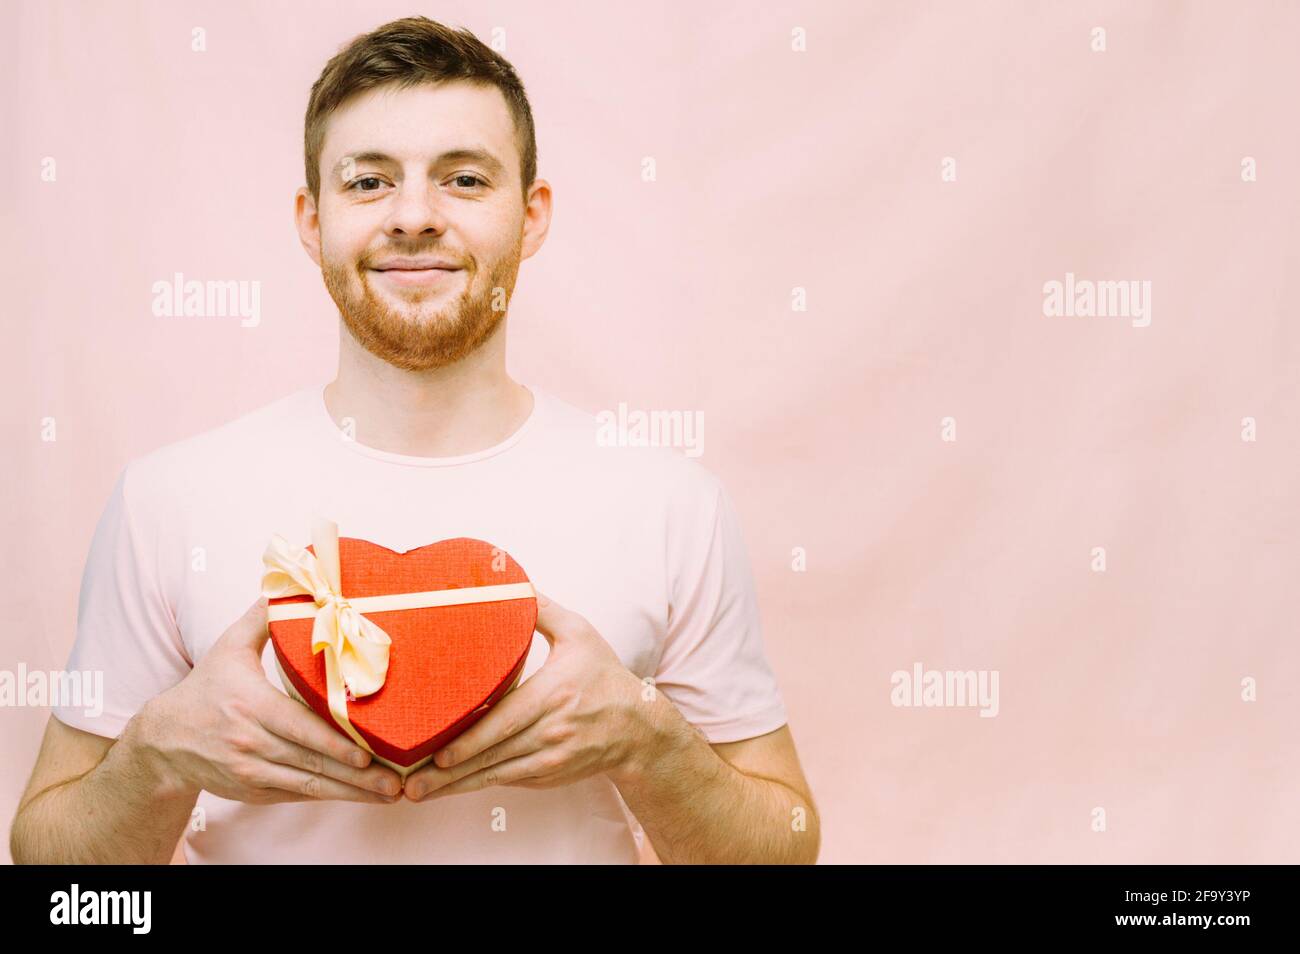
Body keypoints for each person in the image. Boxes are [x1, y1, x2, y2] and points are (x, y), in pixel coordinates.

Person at [9, 16, 818, 864]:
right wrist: (153, 758)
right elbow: (54, 870)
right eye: (368, 183)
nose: (414, 218)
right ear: (311, 220)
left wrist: (647, 741)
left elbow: (785, 849)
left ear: (532, 216)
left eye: (464, 179)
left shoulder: (672, 505)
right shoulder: (163, 501)